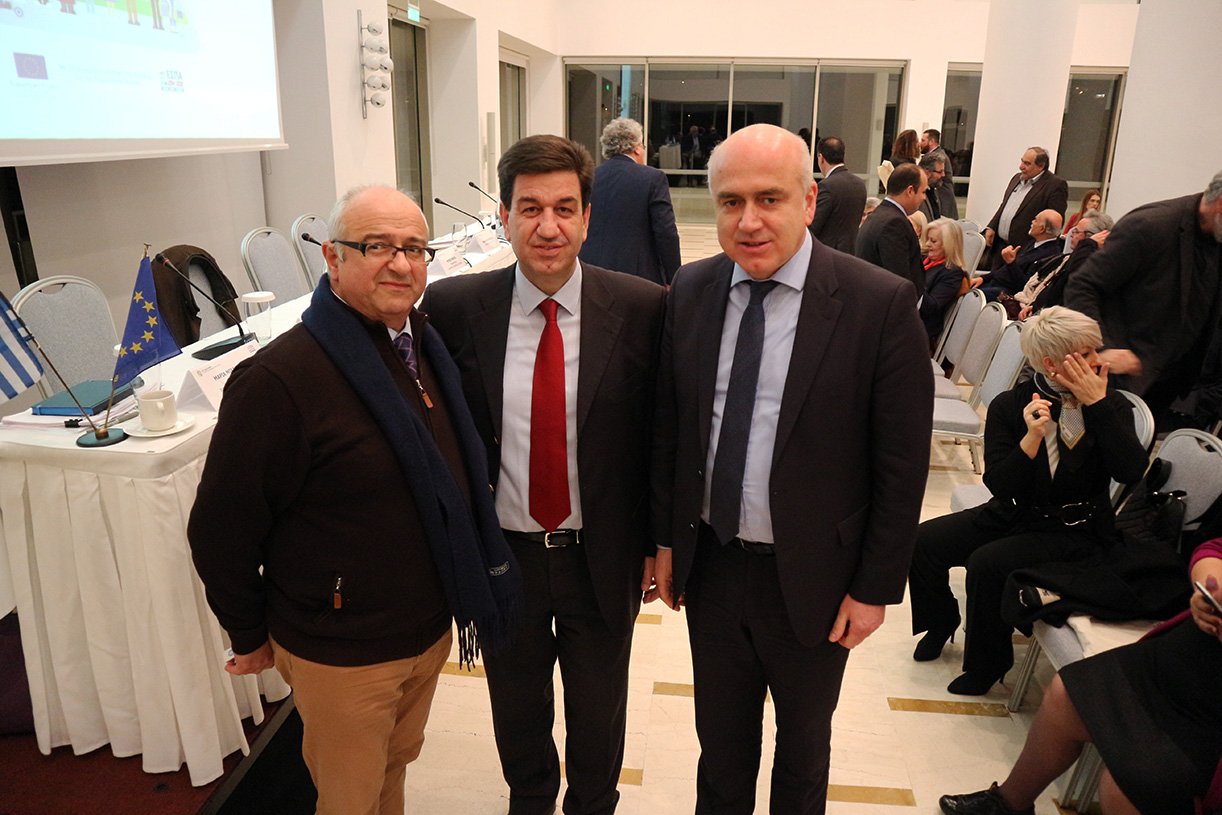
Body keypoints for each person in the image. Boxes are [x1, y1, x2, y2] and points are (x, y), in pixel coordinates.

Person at [187, 185, 521, 815]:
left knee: (393, 767)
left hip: (424, 627)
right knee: (349, 797)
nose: (400, 263)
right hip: (344, 647)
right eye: (377, 246)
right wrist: (248, 632)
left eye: (414, 248)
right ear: (332, 257)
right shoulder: (280, 381)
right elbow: (220, 530)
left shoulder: (421, 345)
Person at [652, 123, 933, 814]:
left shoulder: (877, 303)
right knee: (720, 750)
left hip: (815, 577)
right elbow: (673, 431)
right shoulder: (691, 289)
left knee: (803, 753)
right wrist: (665, 539)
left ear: (809, 201)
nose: (748, 221)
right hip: (714, 567)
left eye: (769, 199)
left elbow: (901, 465)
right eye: (730, 201)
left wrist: (874, 587)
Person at [421, 134, 666, 815]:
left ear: (588, 216)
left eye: (564, 208)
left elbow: (661, 437)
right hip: (507, 560)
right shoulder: (455, 308)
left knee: (599, 719)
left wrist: (660, 541)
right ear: (504, 216)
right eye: (530, 208)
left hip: (602, 557)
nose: (548, 226)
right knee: (518, 717)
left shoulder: (643, 309)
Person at [907, 306, 1148, 695]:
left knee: (988, 564)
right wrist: (1031, 440)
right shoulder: (1011, 405)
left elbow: (1131, 471)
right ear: (1052, 364)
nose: (1098, 361)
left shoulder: (1110, 405)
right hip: (1015, 511)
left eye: (1096, 350)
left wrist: (1098, 407)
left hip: (1075, 529)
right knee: (924, 542)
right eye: (1087, 354)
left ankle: (988, 664)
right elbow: (1001, 485)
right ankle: (941, 621)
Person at [939, 537, 1222, 815]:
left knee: (1129, 786)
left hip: (1210, 708)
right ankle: (1010, 803)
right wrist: (1210, 589)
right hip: (1190, 654)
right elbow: (1213, 548)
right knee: (1066, 697)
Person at [1065, 169, 1222, 418]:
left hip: (1171, 385)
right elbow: (1082, 285)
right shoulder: (1151, 225)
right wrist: (1102, 347)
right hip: (1118, 377)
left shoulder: (1216, 236)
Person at [579, 117, 682, 285]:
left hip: (589, 270)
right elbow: (666, 232)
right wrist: (674, 278)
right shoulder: (653, 178)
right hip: (637, 277)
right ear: (637, 148)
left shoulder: (589, 177)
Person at [1017, 209, 1113, 319]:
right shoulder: (1069, 258)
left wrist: (1087, 245)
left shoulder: (1094, 263)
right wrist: (1035, 306)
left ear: (1090, 236)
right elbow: (1055, 287)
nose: (1071, 234)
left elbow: (1068, 284)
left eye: (1076, 231)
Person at [983, 147, 1069, 270]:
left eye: (1027, 164)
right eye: (1022, 161)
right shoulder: (1016, 178)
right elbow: (1005, 205)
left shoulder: (1055, 185)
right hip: (1000, 247)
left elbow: (1055, 220)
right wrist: (992, 226)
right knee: (995, 278)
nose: (1021, 166)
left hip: (1025, 252)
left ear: (1041, 166)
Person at [855, 162, 929, 296]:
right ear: (910, 191)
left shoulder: (878, 215)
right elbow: (898, 279)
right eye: (923, 192)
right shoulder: (894, 223)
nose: (924, 197)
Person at [980, 209, 1064, 301]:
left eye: (1036, 220)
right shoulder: (1032, 243)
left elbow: (1025, 286)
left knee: (972, 295)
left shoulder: (1050, 254)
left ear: (1042, 229)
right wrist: (983, 278)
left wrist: (1011, 263)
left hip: (1009, 294)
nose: (1032, 222)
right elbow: (1004, 271)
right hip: (995, 283)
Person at [809, 136, 867, 253]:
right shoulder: (860, 184)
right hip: (850, 253)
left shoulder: (827, 186)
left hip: (827, 254)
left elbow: (814, 225)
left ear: (821, 158)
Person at [919, 218, 969, 344]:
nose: (927, 244)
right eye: (928, 239)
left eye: (933, 241)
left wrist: (912, 281)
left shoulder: (952, 273)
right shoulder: (923, 259)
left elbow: (931, 307)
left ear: (948, 245)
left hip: (921, 330)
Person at [921, 128, 960, 220]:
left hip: (943, 201)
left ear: (931, 141)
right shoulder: (938, 156)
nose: (920, 143)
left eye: (923, 140)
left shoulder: (938, 158)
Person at [917, 152, 948, 222]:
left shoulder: (933, 190)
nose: (943, 175)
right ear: (927, 172)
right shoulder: (916, 194)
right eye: (940, 172)